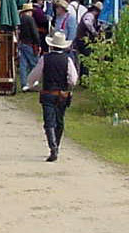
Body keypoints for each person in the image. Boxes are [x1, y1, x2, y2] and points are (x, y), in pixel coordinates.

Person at [27, 31, 79, 162]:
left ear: (51, 46)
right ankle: (57, 146)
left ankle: (53, 148)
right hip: (62, 95)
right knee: (59, 121)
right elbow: (73, 79)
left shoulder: (45, 59)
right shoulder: (67, 60)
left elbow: (35, 75)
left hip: (48, 94)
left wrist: (31, 84)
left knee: (49, 122)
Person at [74, 2, 103, 73]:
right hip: (83, 41)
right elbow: (87, 23)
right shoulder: (90, 15)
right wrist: (95, 33)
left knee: (85, 60)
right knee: (86, 59)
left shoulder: (91, 16)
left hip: (83, 40)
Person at [18, 3, 41, 92]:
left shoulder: (20, 19)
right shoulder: (30, 19)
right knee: (34, 64)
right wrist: (38, 44)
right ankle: (33, 84)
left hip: (22, 43)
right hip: (30, 44)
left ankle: (24, 84)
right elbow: (35, 33)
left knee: (23, 65)